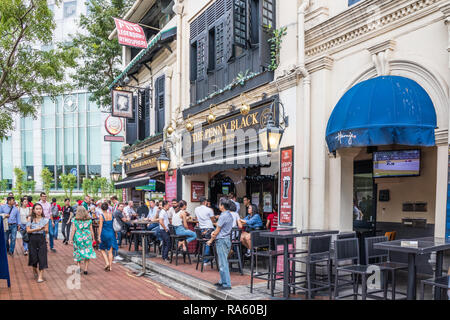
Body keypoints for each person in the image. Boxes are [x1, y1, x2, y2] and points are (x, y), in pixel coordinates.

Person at [206, 198, 234, 290]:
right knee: (222, 262)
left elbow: (217, 230)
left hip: (221, 240)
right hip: (226, 239)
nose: (218, 205)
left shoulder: (223, 216)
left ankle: (226, 284)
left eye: (219, 204)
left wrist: (210, 240)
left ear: (222, 206)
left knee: (223, 263)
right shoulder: (229, 214)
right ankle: (222, 281)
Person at [69, 206, 96, 275]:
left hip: (78, 237)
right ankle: (86, 269)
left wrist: (70, 239)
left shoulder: (75, 220)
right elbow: (91, 230)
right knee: (87, 252)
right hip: (87, 237)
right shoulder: (89, 220)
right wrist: (93, 238)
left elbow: (73, 230)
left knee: (78, 252)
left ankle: (78, 267)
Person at [26, 203, 49, 283]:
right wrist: (37, 229)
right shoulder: (30, 219)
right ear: (34, 210)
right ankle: (34, 268)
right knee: (33, 257)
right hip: (32, 239)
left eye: (40, 209)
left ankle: (40, 276)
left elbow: (46, 231)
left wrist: (45, 230)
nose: (39, 210)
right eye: (37, 209)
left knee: (42, 257)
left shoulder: (45, 220)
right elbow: (28, 230)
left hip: (41, 239)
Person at [98, 202, 118, 271]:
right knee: (110, 251)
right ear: (107, 208)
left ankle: (107, 263)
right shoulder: (111, 215)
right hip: (111, 233)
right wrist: (116, 233)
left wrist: (99, 236)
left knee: (102, 249)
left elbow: (100, 227)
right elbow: (113, 225)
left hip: (104, 233)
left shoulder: (101, 215)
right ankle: (110, 267)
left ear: (101, 208)